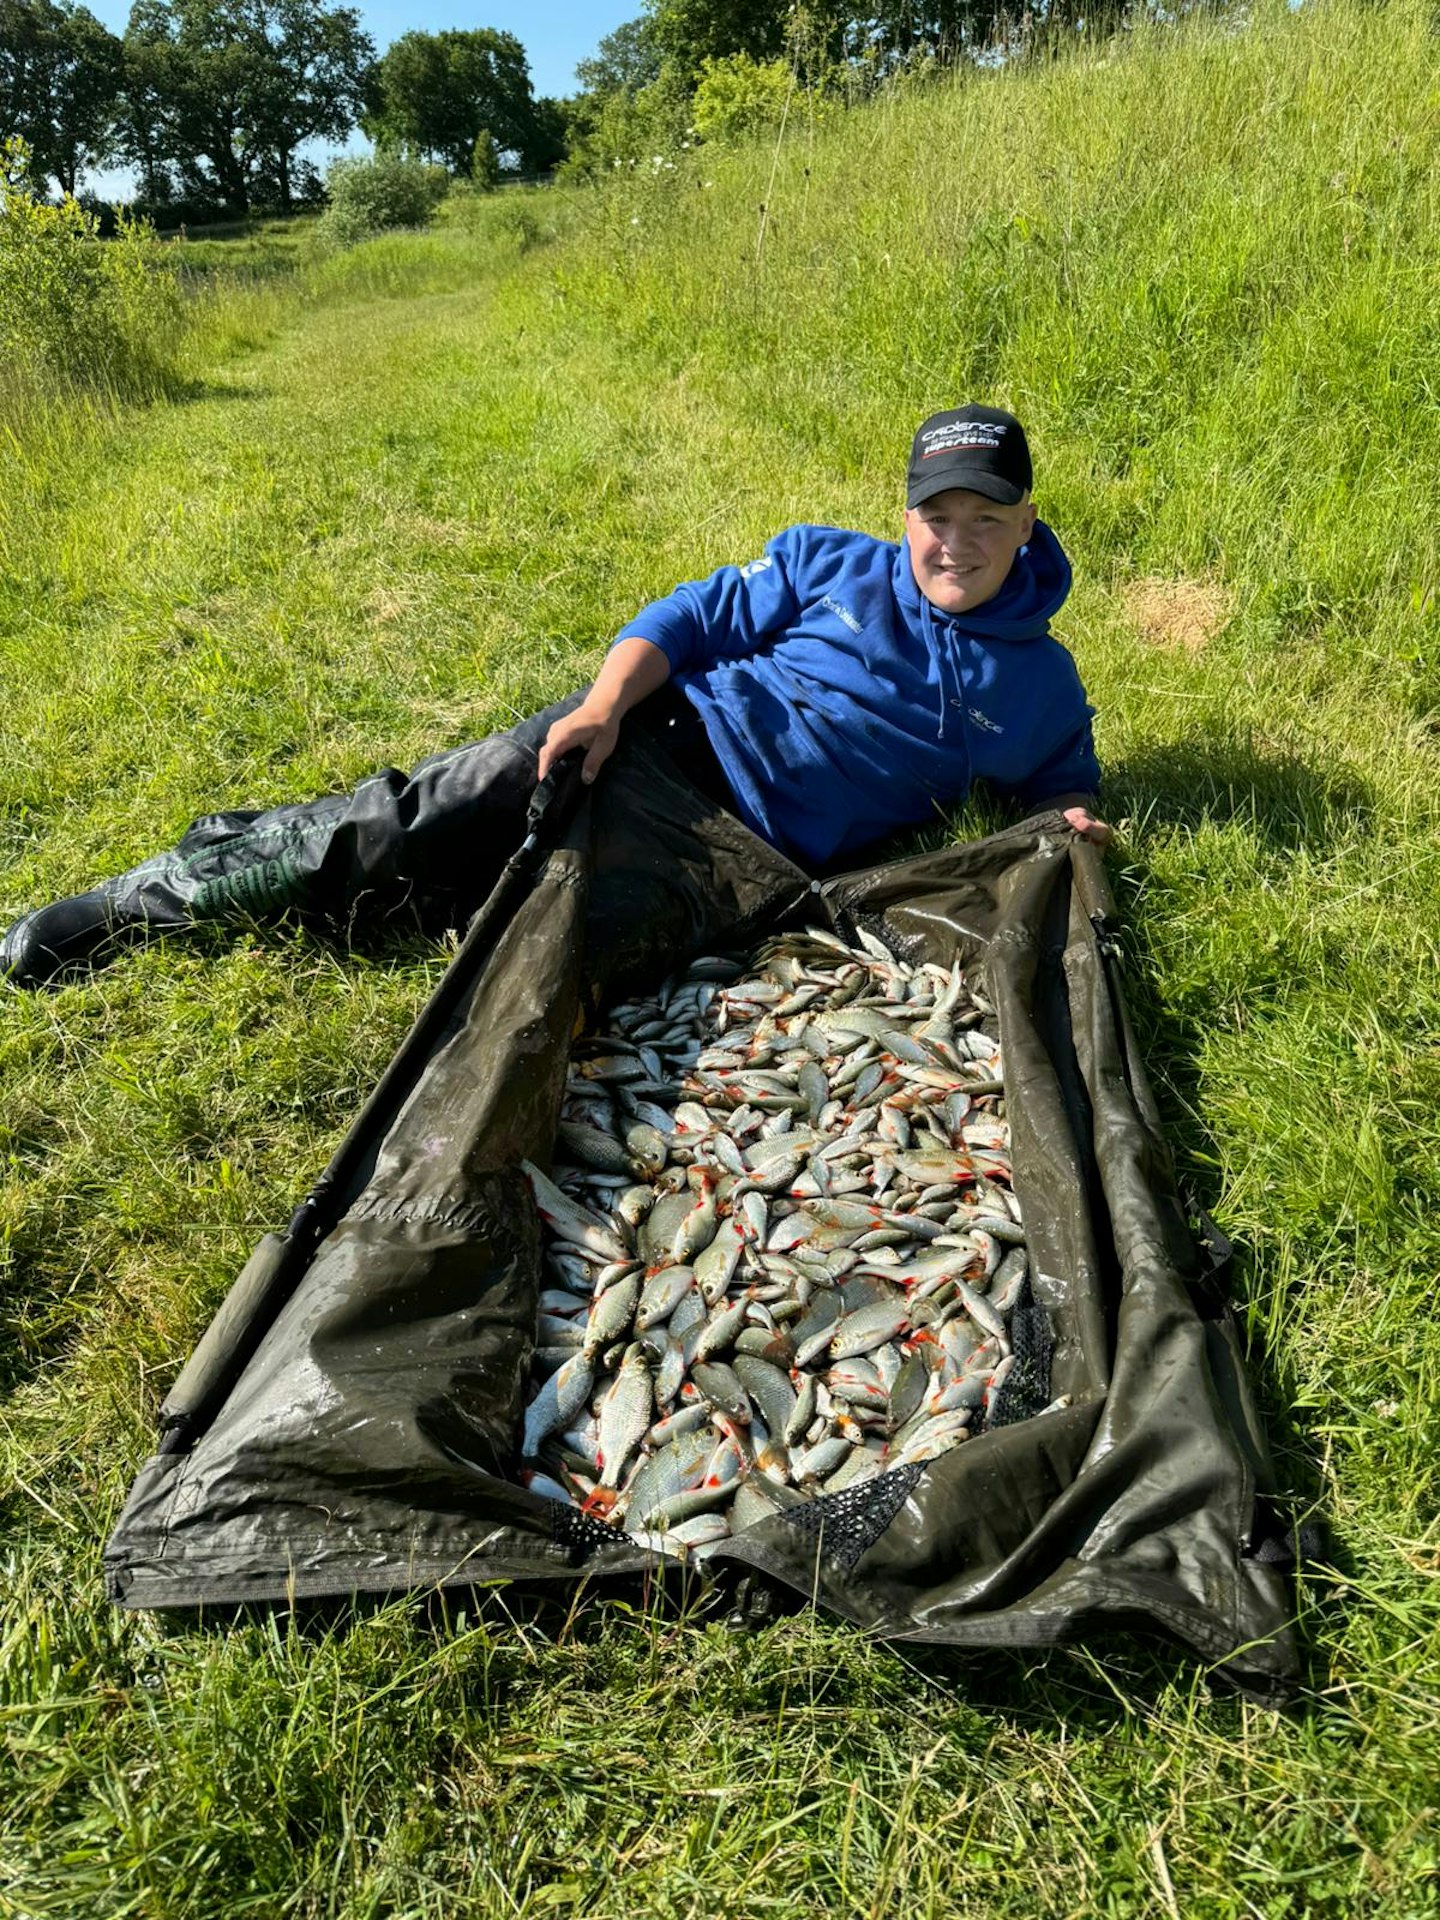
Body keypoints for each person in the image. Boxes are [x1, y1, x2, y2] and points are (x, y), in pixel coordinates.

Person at [1, 403, 1109, 990]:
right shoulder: (831, 562)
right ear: (905, 511)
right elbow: (687, 619)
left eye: (985, 519)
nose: (954, 543)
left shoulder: (1040, 685)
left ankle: (252, 855)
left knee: (493, 934)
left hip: (743, 856)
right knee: (411, 830)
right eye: (935, 515)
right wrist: (597, 708)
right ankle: (141, 904)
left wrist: (1071, 824)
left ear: (1024, 522)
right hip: (659, 738)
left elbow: (1061, 792)